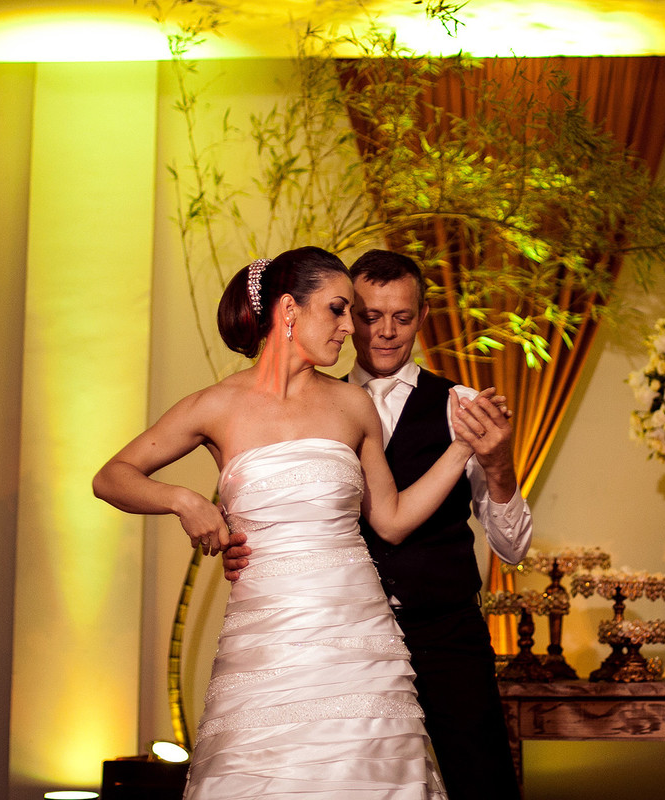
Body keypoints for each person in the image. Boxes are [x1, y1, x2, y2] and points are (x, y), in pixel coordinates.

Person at [93, 246, 496, 798]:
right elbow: (112, 477)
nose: (350, 327)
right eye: (338, 309)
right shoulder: (214, 405)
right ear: (289, 309)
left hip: (357, 635)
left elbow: (393, 520)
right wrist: (184, 501)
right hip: (266, 635)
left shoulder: (353, 406)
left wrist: (463, 446)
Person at [222, 249, 531, 800]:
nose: (385, 332)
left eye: (402, 318)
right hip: (342, 644)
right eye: (368, 316)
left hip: (444, 634)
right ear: (345, 314)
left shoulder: (460, 407)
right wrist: (238, 540)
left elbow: (512, 548)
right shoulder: (311, 404)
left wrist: (500, 465)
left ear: (423, 316)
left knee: (482, 784)